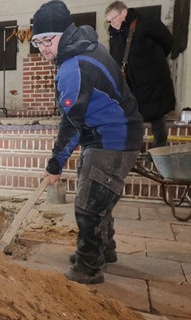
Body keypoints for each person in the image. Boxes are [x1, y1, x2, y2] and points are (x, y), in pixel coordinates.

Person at [31, 0, 143, 284]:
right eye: (37, 42)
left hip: (111, 139)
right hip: (110, 134)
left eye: (47, 40)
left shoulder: (73, 66)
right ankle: (104, 250)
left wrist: (55, 163)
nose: (42, 47)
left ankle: (88, 267)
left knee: (88, 205)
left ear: (63, 34)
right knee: (98, 194)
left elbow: (71, 122)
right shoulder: (86, 46)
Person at [105, 1, 175, 148]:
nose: (112, 24)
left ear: (124, 12)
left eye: (114, 19)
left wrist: (154, 62)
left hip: (151, 79)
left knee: (156, 112)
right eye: (109, 21)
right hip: (129, 82)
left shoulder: (146, 24)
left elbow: (167, 41)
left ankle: (159, 149)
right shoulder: (114, 34)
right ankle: (130, 149)